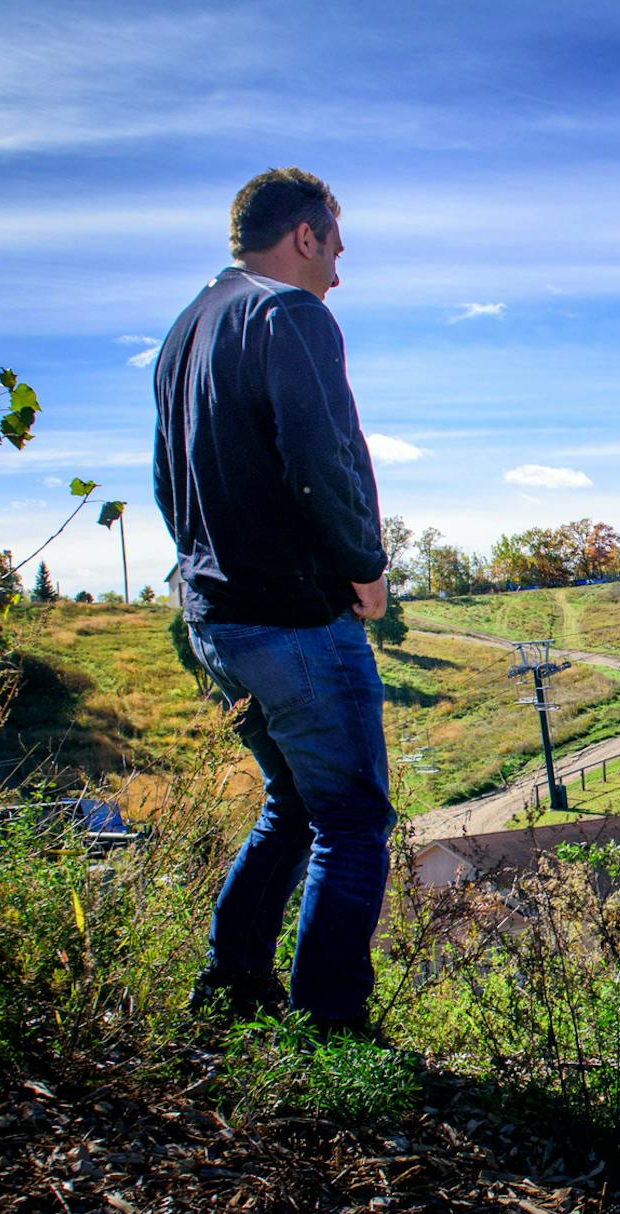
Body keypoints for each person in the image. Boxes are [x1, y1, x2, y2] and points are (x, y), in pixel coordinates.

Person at [153, 168, 392, 1037]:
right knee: (355, 819)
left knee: (292, 805)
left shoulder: (187, 331)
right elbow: (321, 453)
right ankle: (329, 1031)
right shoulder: (289, 315)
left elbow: (166, 482)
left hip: (215, 615)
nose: (337, 273)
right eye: (335, 248)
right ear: (304, 235)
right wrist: (363, 566)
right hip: (293, 618)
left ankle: (231, 990)